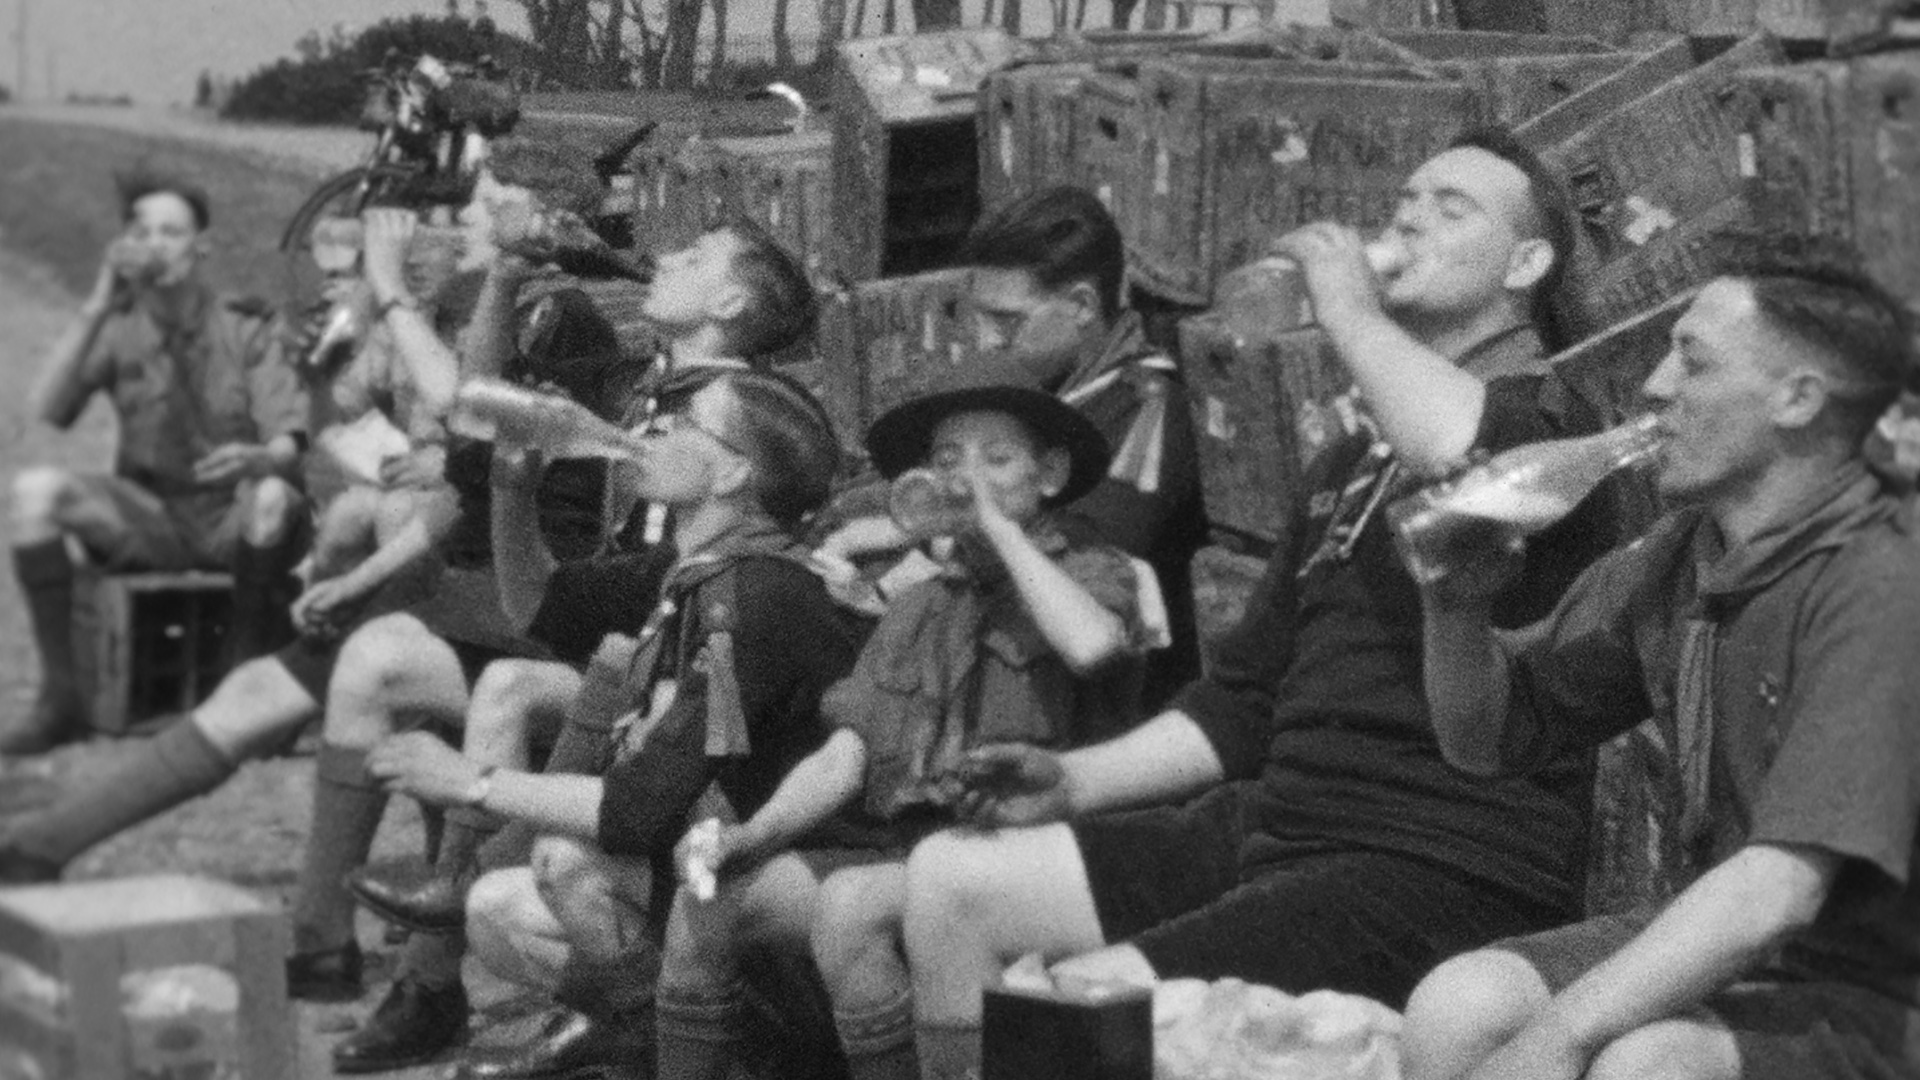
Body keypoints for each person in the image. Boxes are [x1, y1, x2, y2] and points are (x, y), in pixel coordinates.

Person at [896, 128, 1621, 1080]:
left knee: (1071, 1017)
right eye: (1406, 201)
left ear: (1526, 264)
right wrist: (1073, 782)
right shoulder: (1350, 461)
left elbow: (1459, 451)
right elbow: (1241, 699)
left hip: (1432, 862)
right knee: (951, 880)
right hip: (1285, 824)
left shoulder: (1550, 423)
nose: (1410, 219)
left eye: (1452, 209)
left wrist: (1347, 308)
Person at [1398, 254, 1920, 1080]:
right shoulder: (1685, 555)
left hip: (1882, 983)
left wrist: (1555, 1041)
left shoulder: (1884, 579)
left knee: (1650, 1065)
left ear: (1797, 399)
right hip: (1760, 951)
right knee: (1460, 1008)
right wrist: (1456, 609)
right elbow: (1488, 739)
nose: (1652, 385)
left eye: (1693, 360)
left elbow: (1780, 887)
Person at [655, 369, 1151, 1080]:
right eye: (948, 461)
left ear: (1050, 474)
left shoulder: (1096, 571)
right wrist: (751, 837)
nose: (966, 480)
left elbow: (1093, 645)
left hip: (1053, 858)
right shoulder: (922, 606)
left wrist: (999, 529)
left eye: (997, 459)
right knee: (706, 902)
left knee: (850, 905)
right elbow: (845, 755)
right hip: (919, 854)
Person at [367, 369, 861, 1080]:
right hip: (714, 858)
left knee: (569, 863)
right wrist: (513, 491)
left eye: (684, 421)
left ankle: (733, 1050)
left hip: (798, 868)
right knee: (498, 909)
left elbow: (636, 813)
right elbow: (539, 605)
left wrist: (470, 782)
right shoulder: (693, 569)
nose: (654, 429)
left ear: (732, 473)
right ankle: (677, 1041)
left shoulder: (757, 595)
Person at [817, 187, 1203, 709]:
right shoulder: (1044, 387)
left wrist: (901, 535)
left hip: (1095, 697)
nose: (987, 340)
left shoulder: (1149, 407)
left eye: (1007, 321)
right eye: (980, 317)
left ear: (1082, 305)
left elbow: (1075, 548)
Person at [3, 170, 308, 753]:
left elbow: (289, 446)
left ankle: (243, 692)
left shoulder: (243, 327)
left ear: (202, 246)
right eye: (142, 233)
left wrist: (255, 459)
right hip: (155, 518)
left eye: (171, 232)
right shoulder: (120, 326)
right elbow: (48, 409)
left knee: (273, 496)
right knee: (34, 493)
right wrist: (96, 305)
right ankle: (61, 700)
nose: (156, 245)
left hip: (234, 518)